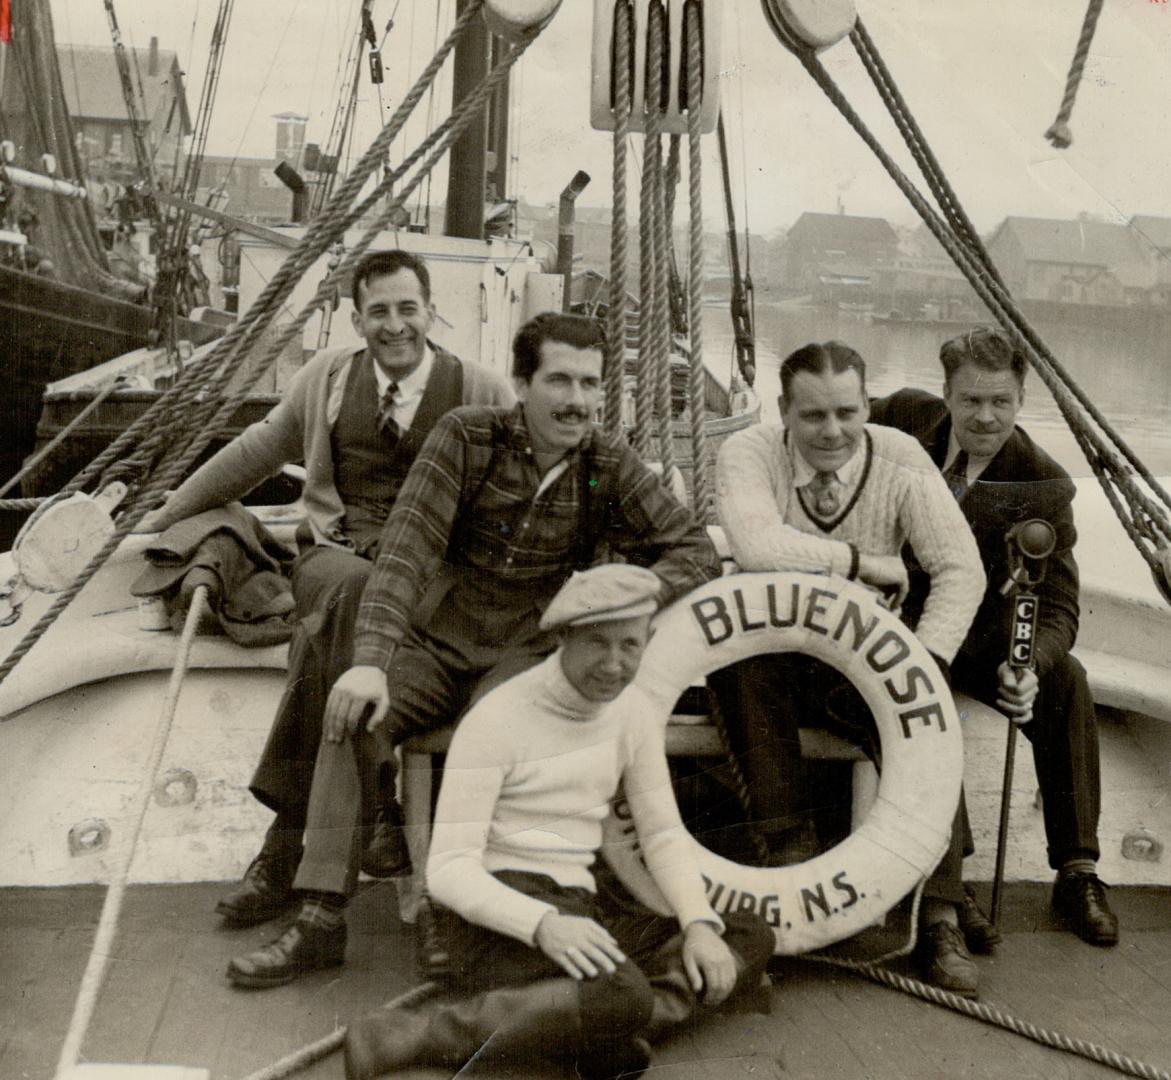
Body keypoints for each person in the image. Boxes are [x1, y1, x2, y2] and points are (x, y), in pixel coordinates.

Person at [224, 311, 722, 988]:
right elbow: (403, 554)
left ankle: (460, 915)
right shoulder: (467, 437)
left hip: (527, 647)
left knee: (498, 743)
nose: (577, 400)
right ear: (521, 383)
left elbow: (691, 548)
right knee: (350, 714)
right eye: (559, 381)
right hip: (438, 634)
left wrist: (621, 595)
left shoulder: (607, 465)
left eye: (590, 384)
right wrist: (370, 662)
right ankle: (319, 918)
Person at [145, 249, 514, 927]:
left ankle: (283, 850)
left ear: (431, 312)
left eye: (408, 309)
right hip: (334, 560)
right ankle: (379, 804)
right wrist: (165, 514)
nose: (395, 325)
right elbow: (255, 452)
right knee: (352, 590)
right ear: (357, 318)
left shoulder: (480, 389)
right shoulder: (326, 379)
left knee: (333, 633)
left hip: (432, 580)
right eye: (379, 312)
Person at [342, 563, 775, 1079]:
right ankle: (418, 1033)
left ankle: (593, 1030)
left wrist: (701, 927)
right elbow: (449, 870)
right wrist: (543, 926)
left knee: (746, 933)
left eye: (630, 645)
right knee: (620, 991)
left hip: (578, 906)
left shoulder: (632, 712)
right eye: (597, 643)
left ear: (649, 640)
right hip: (495, 919)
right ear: (563, 638)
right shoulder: (497, 718)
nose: (614, 665)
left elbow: (662, 834)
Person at [710, 340, 987, 995]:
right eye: (812, 417)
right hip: (776, 657)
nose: (831, 432)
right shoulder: (747, 453)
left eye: (845, 412)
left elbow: (958, 568)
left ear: (865, 404)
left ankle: (941, 911)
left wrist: (924, 659)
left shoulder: (899, 458)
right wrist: (856, 563)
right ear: (783, 411)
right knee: (737, 667)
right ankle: (789, 861)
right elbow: (753, 543)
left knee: (928, 709)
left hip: (865, 664)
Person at [870, 326, 1119, 948]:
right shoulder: (900, 418)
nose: (985, 417)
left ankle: (1078, 870)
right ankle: (952, 888)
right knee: (924, 701)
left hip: (981, 638)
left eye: (1000, 402)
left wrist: (1031, 663)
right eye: (971, 401)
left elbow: (1060, 604)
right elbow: (833, 438)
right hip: (900, 627)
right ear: (946, 395)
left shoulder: (1044, 483)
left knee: (1067, 682)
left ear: (1020, 399)